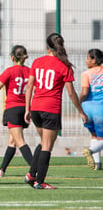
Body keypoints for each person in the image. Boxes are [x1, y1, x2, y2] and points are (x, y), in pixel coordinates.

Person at [24, 33, 87, 189]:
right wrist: (80, 111)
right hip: (51, 109)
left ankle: (31, 174)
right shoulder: (63, 65)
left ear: (47, 47)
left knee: (44, 142)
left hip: (36, 107)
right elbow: (71, 93)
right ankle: (40, 181)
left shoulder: (37, 62)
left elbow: (30, 86)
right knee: (47, 145)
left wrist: (27, 109)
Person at [0, 45, 33, 177]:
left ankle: (36, 169)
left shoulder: (10, 71)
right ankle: (1, 170)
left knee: (19, 141)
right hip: (24, 109)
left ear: (12, 57)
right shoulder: (30, 72)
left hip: (12, 109)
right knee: (12, 142)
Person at [79, 49, 103, 170]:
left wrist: (79, 102)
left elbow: (84, 92)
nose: (85, 60)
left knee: (95, 135)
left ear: (93, 60)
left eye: (87, 58)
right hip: (100, 108)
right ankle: (91, 151)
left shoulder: (85, 74)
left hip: (87, 109)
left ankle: (97, 164)